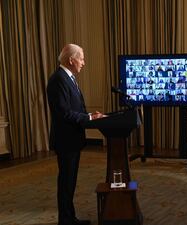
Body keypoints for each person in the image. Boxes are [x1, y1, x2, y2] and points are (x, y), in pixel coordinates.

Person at [47, 44, 104, 225]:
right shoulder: (58, 80)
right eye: (81, 58)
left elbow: (74, 107)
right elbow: (63, 113)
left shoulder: (68, 77)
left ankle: (70, 218)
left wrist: (89, 116)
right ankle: (65, 220)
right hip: (66, 140)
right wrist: (88, 117)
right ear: (71, 60)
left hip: (73, 139)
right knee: (66, 182)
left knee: (70, 182)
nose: (84, 63)